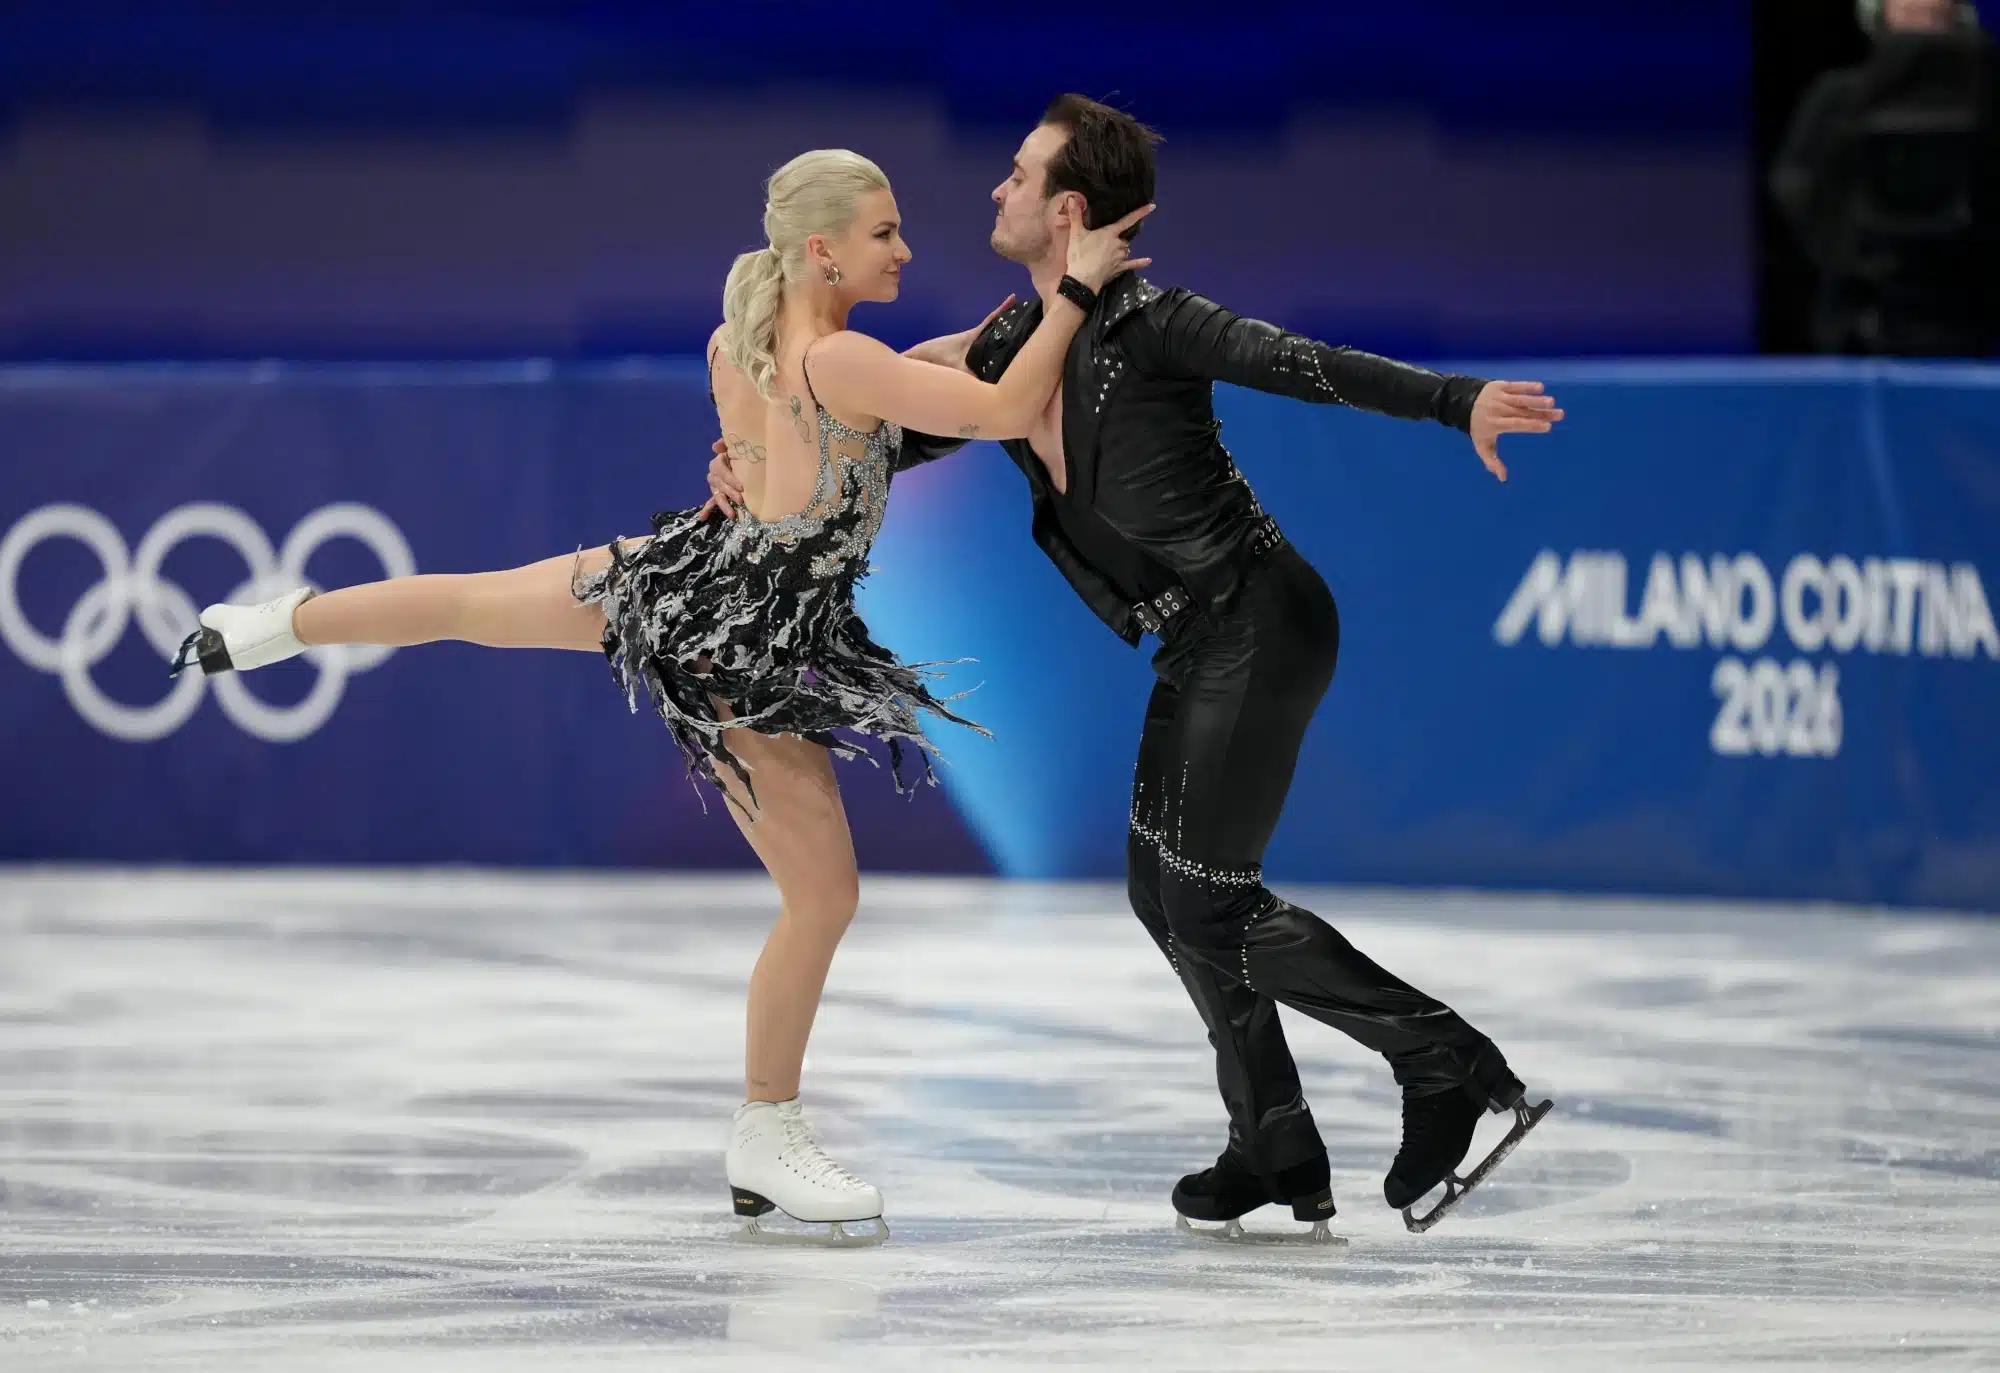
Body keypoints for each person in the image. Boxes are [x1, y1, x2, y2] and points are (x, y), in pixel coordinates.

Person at [170, 148, 1150, 1242]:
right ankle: (766, 1131)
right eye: (884, 232)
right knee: (820, 899)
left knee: (467, 602)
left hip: (681, 576)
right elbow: (1007, 403)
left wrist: (1030, 302)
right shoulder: (842, 360)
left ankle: (266, 623)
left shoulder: (742, 342)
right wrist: (1075, 290)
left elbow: (918, 378)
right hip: (747, 645)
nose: (904, 248)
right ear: (821, 248)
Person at [710, 97, 1562, 1238]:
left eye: (1016, 176)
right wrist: (752, 459)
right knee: (1162, 891)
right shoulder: (1021, 342)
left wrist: (1453, 400)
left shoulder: (1152, 319)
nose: (994, 192)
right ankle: (1271, 1140)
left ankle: (1446, 1061)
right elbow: (862, 432)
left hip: (1258, 619)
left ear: (1064, 207)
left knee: (1208, 902)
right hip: (1198, 638)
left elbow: (1298, 361)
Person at [1771, 0, 1994, 355]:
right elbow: (1797, 186)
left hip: (1969, 313)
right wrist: (1860, 255)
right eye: (1910, 11)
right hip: (1861, 312)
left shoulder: (1987, 103)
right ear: (1880, 14)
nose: (1922, 19)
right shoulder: (1837, 98)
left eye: (1935, 13)